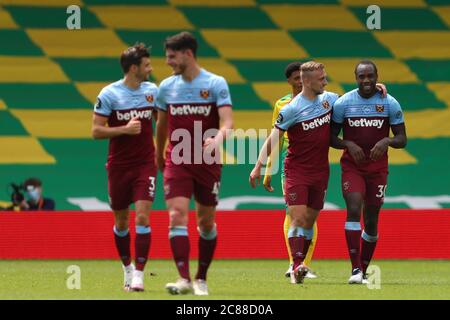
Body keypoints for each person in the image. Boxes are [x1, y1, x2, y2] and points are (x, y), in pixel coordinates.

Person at [155, 31, 233, 296]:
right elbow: (162, 124)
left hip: (207, 161)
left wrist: (219, 138)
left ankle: (201, 278)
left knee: (207, 222)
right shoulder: (166, 87)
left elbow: (228, 122)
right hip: (177, 160)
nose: (168, 62)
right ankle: (183, 279)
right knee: (176, 214)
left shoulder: (215, 83)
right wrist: (158, 153)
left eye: (172, 57)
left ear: (188, 53)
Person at [250, 61, 339, 284]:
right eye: (321, 78)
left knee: (309, 220)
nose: (325, 81)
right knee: (296, 217)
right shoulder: (290, 109)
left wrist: (378, 89)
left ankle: (300, 264)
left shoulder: (331, 99)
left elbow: (357, 99)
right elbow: (274, 138)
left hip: (321, 170)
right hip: (296, 170)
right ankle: (297, 264)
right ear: (307, 81)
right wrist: (260, 165)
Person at [330, 60, 407, 284]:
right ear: (356, 78)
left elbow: (402, 139)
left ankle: (363, 270)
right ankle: (355, 270)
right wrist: (348, 145)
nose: (366, 80)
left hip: (378, 169)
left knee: (371, 220)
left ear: (376, 76)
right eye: (361, 76)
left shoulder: (389, 102)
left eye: (370, 76)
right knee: (353, 208)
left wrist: (387, 140)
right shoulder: (344, 102)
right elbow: (331, 137)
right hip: (352, 167)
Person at [91, 43, 158, 292]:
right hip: (118, 166)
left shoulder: (152, 91)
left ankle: (140, 274)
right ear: (134, 68)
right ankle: (127, 268)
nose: (151, 69)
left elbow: (161, 123)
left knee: (142, 215)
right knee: (121, 222)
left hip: (145, 164)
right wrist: (124, 130)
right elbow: (96, 131)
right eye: (147, 65)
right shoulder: (109, 94)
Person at [262, 62, 318, 279]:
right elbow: (275, 137)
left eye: (303, 77)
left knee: (311, 215)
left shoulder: (320, 100)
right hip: (291, 161)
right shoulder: (282, 104)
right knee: (293, 212)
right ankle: (294, 263)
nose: (300, 81)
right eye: (296, 78)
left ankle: (305, 264)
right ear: (290, 81)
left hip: (315, 162)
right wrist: (268, 170)